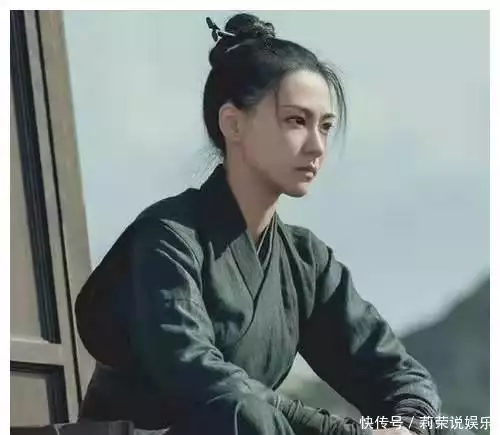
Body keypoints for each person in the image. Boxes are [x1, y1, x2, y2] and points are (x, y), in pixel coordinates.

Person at [75, 13, 442, 435]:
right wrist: (342, 432)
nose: (317, 146)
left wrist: (409, 425)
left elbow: (395, 373)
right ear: (233, 123)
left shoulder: (306, 262)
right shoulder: (168, 239)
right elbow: (203, 379)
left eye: (325, 126)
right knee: (240, 411)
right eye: (296, 121)